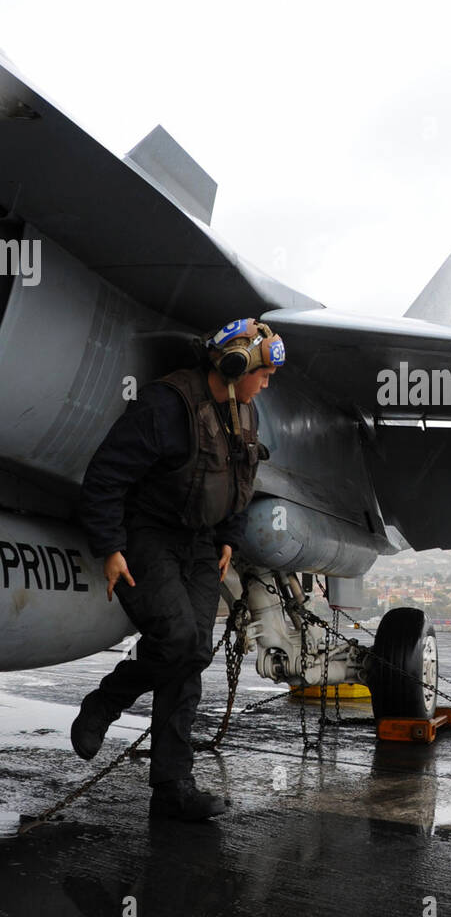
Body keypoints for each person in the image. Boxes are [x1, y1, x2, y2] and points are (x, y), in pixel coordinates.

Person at [71, 318, 285, 821]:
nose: (267, 384)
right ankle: (105, 702)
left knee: (193, 653)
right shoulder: (165, 406)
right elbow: (104, 477)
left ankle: (173, 789)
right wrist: (110, 547)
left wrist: (228, 538)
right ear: (236, 366)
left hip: (202, 545)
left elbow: (240, 481)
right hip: (149, 535)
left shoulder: (244, 413)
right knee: (178, 643)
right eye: (264, 373)